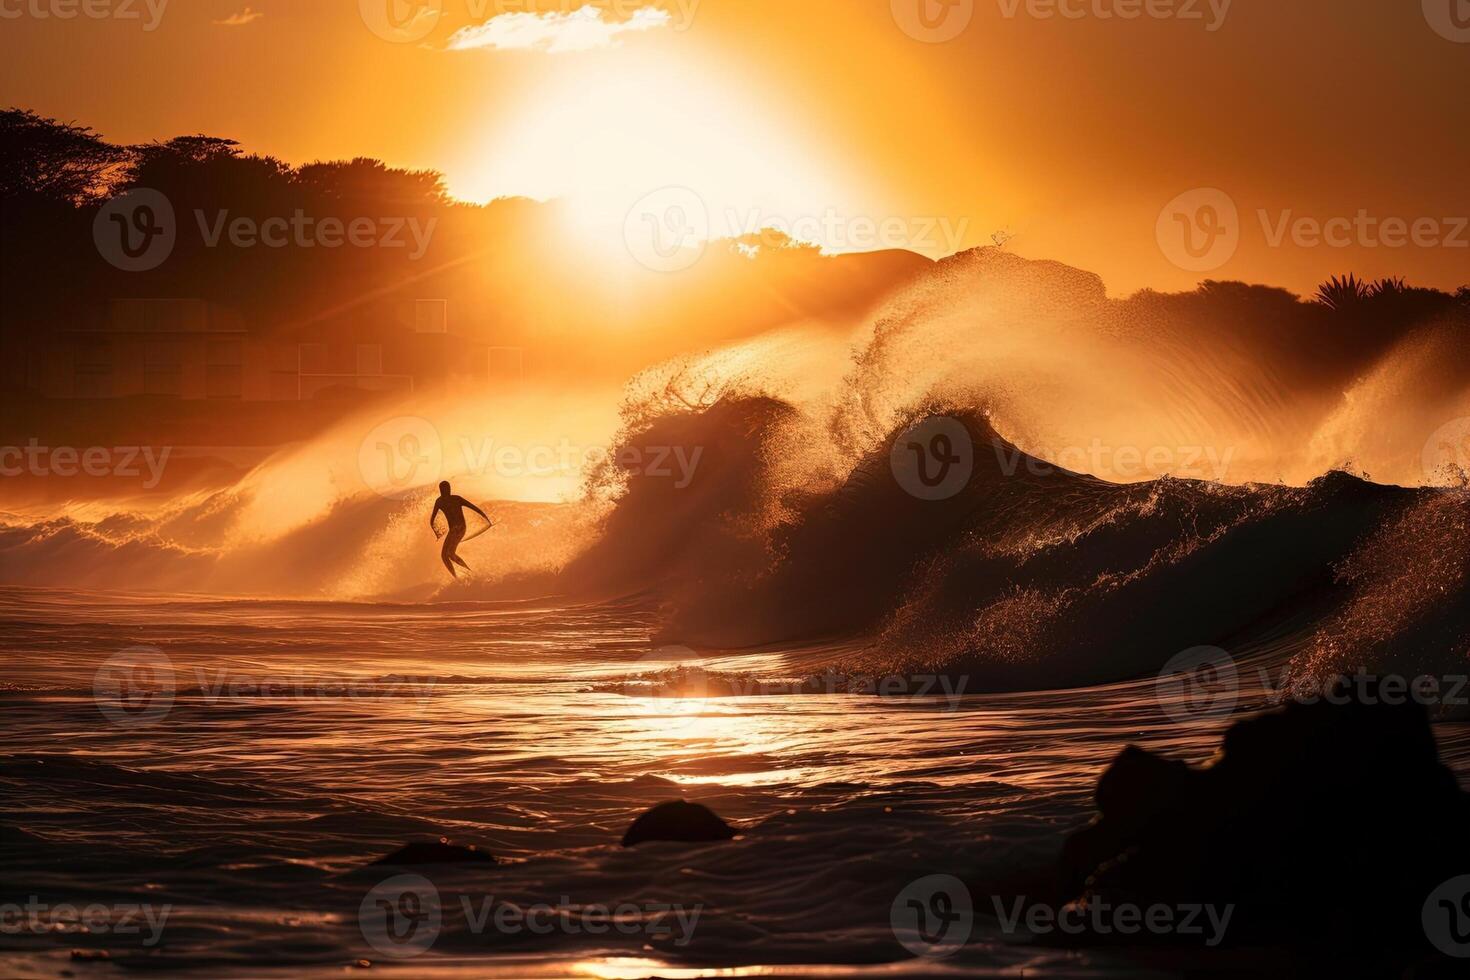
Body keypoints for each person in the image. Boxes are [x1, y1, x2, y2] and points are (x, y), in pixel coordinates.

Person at [430, 481, 491, 577]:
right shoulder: (449, 500)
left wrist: (437, 532)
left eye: (448, 489)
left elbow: (432, 521)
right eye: (446, 489)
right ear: (442, 490)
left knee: (446, 555)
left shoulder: (445, 500)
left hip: (458, 529)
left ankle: (463, 575)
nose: (448, 491)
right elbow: (432, 520)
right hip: (458, 529)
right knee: (449, 554)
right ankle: (464, 574)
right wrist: (437, 532)